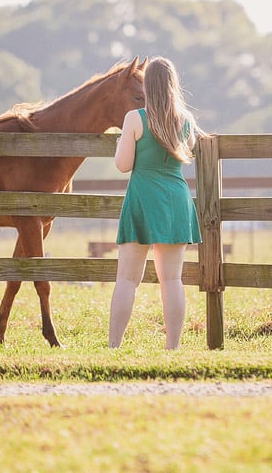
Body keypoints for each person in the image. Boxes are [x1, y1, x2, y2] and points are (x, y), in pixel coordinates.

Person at [108, 56, 203, 350]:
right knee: (172, 280)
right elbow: (189, 150)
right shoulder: (186, 120)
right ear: (174, 84)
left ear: (147, 86)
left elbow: (123, 165)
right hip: (175, 198)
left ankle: (114, 346)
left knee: (127, 279)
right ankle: (172, 348)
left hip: (142, 197)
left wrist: (120, 145)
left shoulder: (135, 119)